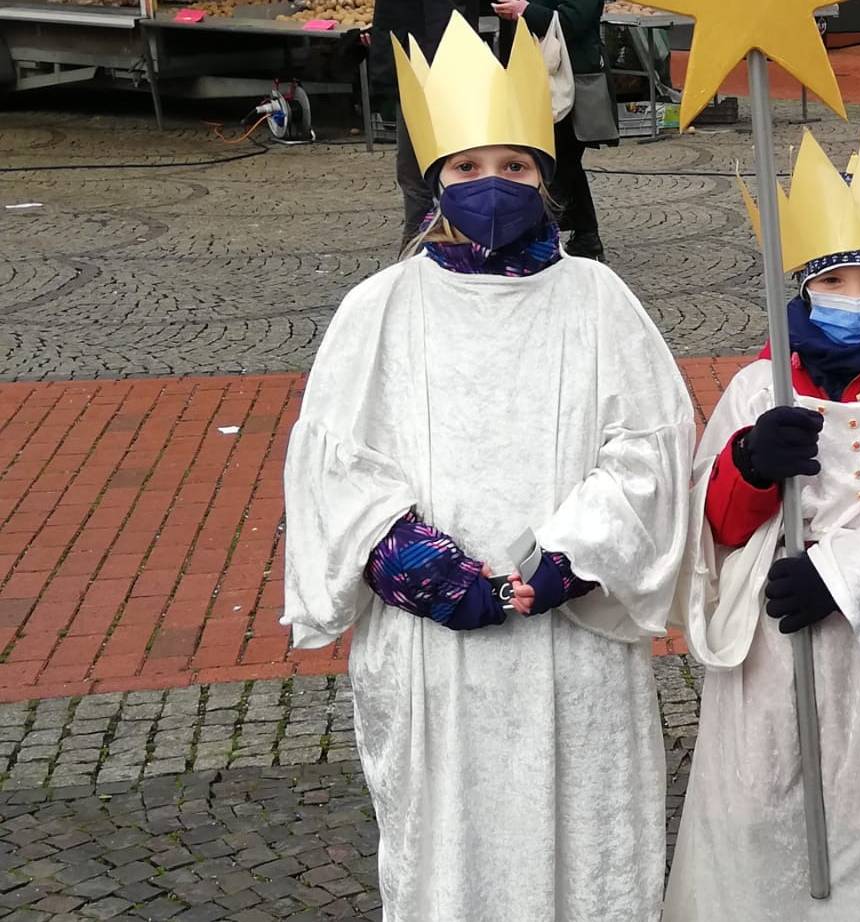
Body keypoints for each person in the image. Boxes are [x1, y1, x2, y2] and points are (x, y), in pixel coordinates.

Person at [282, 13, 691, 920]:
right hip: (436, 655)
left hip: (572, 645)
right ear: (435, 181)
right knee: (448, 856)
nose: (492, 183)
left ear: (546, 177)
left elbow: (653, 448)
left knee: (586, 846)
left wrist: (573, 555)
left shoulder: (599, 299)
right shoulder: (380, 308)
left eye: (515, 165)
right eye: (467, 167)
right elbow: (333, 464)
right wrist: (416, 564)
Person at [665, 126, 860, 922]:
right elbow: (711, 526)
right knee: (754, 830)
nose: (852, 293)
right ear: (804, 287)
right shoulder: (758, 387)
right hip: (772, 657)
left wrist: (840, 574)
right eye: (833, 278)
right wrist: (749, 464)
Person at [495, 0, 614, 258]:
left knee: (557, 163)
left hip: (569, 82)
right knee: (564, 163)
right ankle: (586, 236)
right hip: (537, 78)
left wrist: (526, 11)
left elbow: (573, 21)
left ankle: (542, 241)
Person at [370, 0, 487, 244]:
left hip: (434, 76)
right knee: (416, 174)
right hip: (417, 71)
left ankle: (429, 247)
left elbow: (443, 21)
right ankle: (419, 247)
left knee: (428, 172)